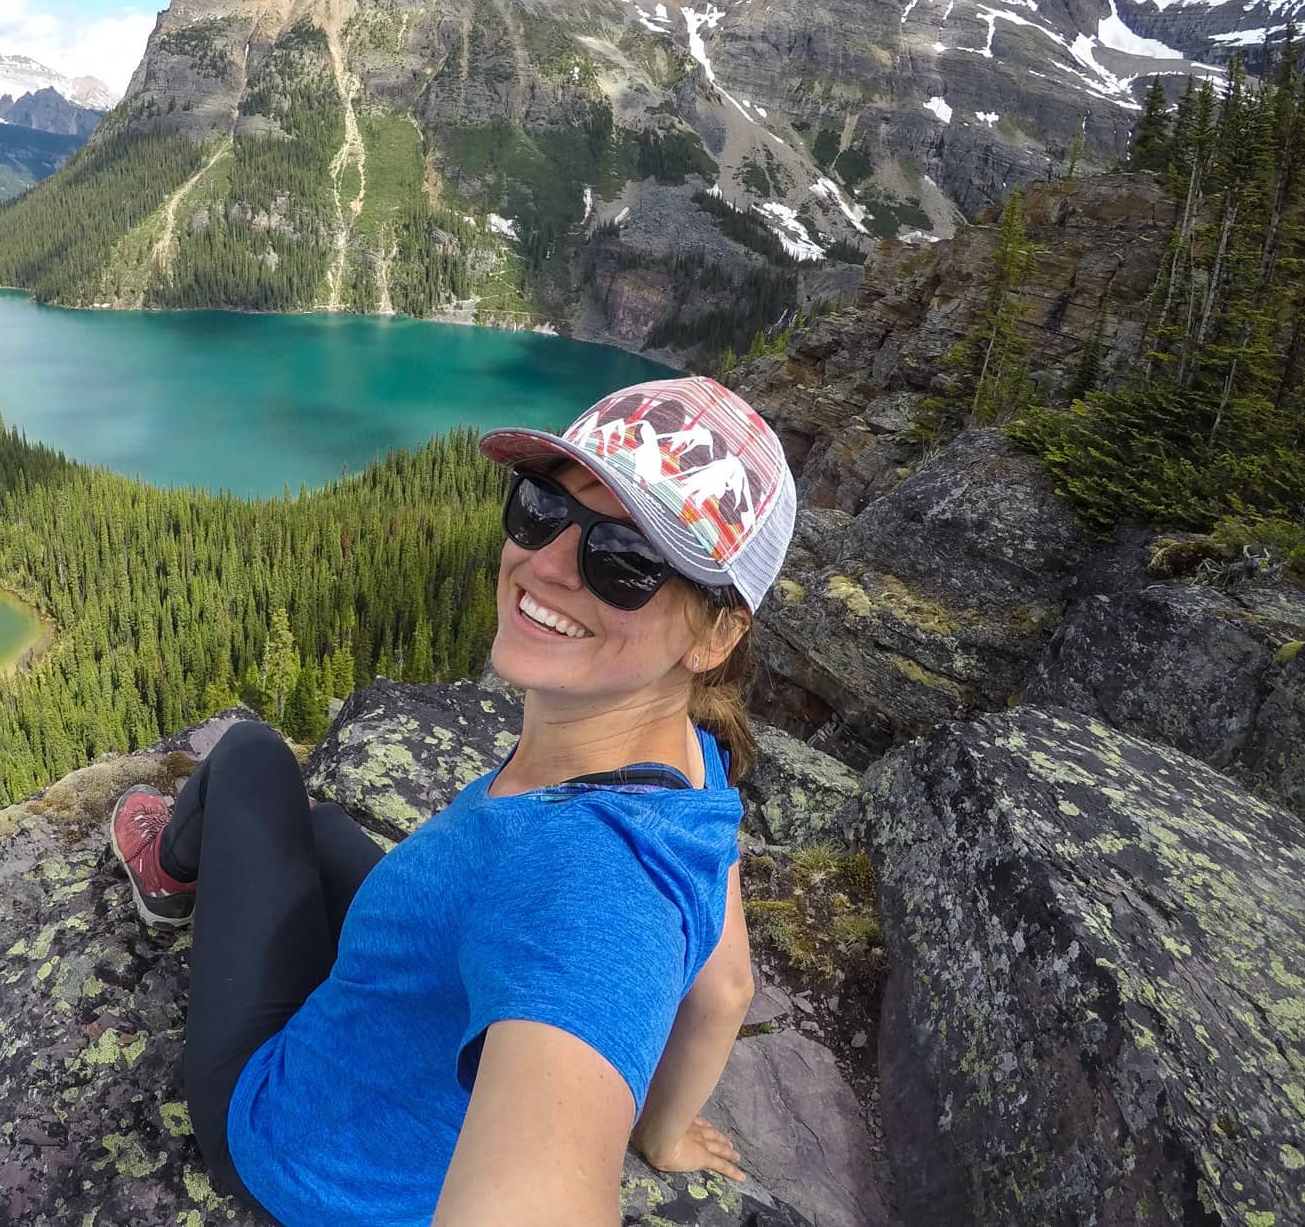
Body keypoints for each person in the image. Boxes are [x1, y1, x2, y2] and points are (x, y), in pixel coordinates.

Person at [108, 375, 797, 1225]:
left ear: (718, 633)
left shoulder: (588, 892)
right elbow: (726, 987)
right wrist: (663, 1135)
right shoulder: (689, 760)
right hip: (416, 1096)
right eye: (543, 508)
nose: (545, 564)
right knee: (318, 827)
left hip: (292, 1150)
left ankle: (169, 877)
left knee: (250, 757)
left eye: (627, 562)